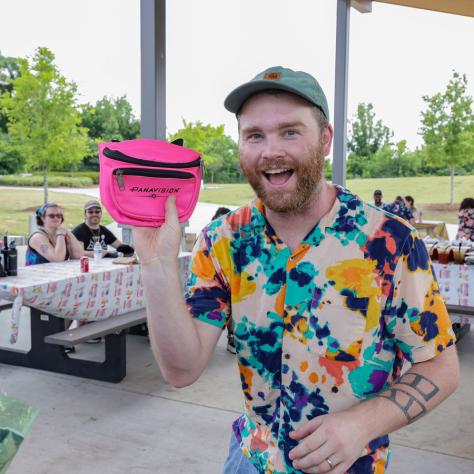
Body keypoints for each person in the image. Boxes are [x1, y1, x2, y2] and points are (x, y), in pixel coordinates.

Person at [133, 66, 459, 474]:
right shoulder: (223, 241)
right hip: (250, 459)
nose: (271, 151)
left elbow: (441, 367)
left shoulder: (389, 241)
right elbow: (181, 370)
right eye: (255, 135)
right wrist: (156, 263)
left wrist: (363, 423)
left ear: (325, 139)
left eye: (290, 131)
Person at [210, 207, 235, 354]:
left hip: (231, 284)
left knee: (234, 303)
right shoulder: (207, 237)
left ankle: (232, 336)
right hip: (212, 282)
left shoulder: (235, 239)